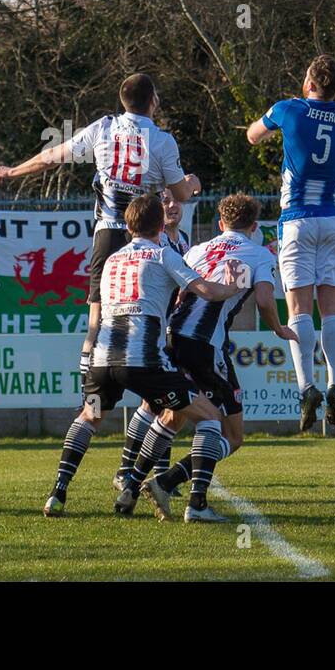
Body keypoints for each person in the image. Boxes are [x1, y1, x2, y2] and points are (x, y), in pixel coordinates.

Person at [0, 73, 201, 394]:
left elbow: (52, 157)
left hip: (107, 236)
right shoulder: (162, 141)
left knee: (97, 319)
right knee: (156, 313)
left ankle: (90, 394)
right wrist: (193, 181)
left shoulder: (103, 128)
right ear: (153, 101)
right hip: (143, 242)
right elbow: (181, 194)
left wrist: (12, 171)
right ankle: (161, 384)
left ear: (122, 100)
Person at [42, 195, 242, 520]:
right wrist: (231, 285)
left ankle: (58, 493)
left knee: (88, 418)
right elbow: (206, 290)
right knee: (209, 418)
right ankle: (163, 495)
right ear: (161, 224)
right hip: (143, 364)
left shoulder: (112, 260)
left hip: (102, 363)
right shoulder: (164, 254)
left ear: (128, 226)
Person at [145, 194, 298, 521]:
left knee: (175, 416)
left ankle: (133, 482)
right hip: (203, 345)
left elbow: (178, 292)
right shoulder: (259, 253)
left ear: (220, 224)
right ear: (255, 226)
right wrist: (278, 330)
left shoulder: (198, 249)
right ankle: (188, 497)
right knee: (231, 433)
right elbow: (266, 301)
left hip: (172, 337)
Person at [246, 55, 335, 429]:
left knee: (299, 310)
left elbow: (252, 135)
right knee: (333, 308)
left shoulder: (288, 109)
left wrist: (276, 127)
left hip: (297, 219)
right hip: (333, 218)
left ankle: (306, 387)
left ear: (310, 82)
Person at [114, 187, 191, 492]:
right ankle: (125, 470)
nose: (171, 205)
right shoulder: (153, 249)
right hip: (155, 333)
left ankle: (157, 475)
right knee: (156, 402)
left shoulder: (181, 241)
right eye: (164, 201)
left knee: (165, 404)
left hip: (176, 330)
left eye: (175, 199)